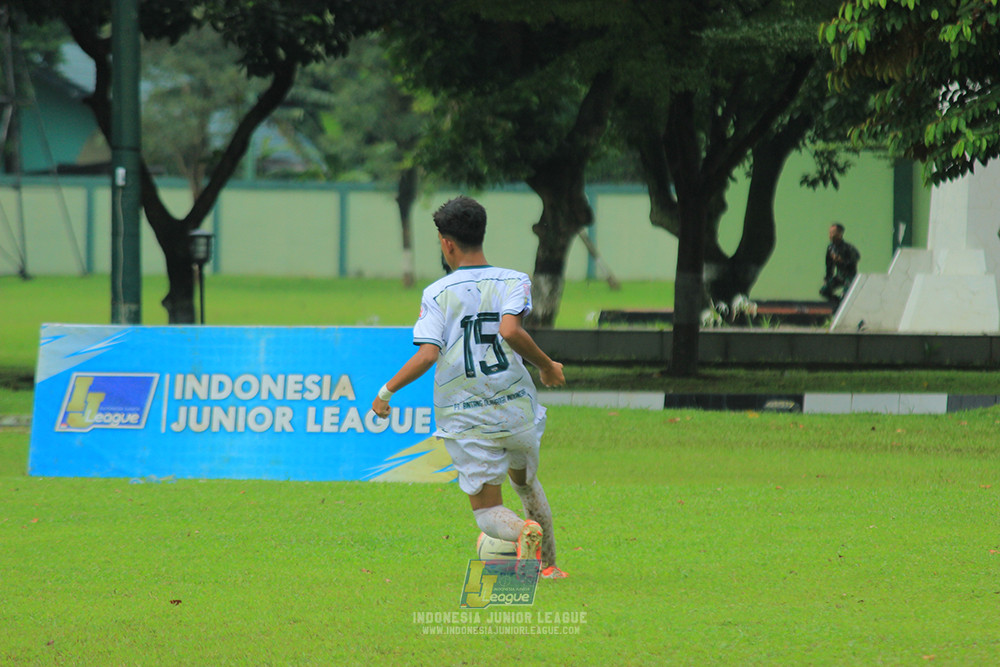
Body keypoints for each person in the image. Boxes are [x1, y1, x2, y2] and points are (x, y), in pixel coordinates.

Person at [371, 196, 569, 579]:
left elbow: (428, 356)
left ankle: (522, 532)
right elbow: (511, 329)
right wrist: (546, 365)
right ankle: (549, 566)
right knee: (526, 484)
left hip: (467, 417)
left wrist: (385, 392)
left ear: (447, 243)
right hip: (518, 411)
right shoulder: (515, 280)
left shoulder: (437, 293)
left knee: (487, 511)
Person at [820, 222, 860, 303]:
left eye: (833, 233)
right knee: (824, 291)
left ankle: (842, 301)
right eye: (830, 233)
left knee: (845, 295)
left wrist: (842, 260)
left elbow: (856, 258)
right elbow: (829, 265)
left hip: (850, 277)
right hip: (839, 276)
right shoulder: (830, 248)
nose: (831, 235)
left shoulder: (848, 247)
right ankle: (837, 303)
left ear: (839, 234)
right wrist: (827, 279)